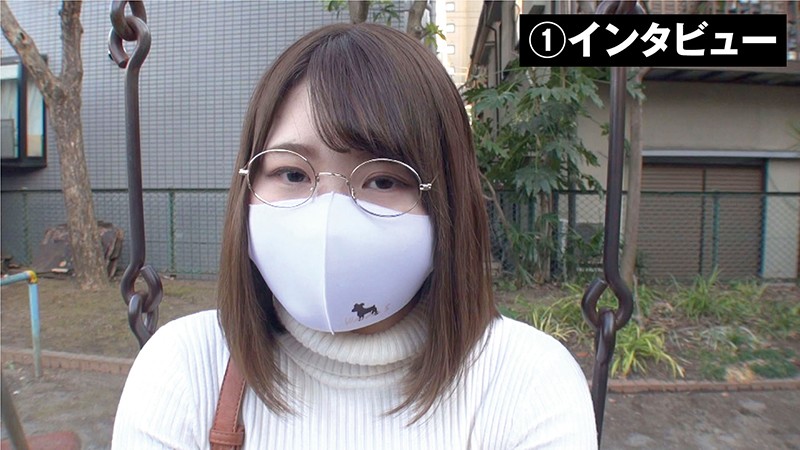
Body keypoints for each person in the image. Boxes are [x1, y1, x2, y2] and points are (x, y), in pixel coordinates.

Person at [112, 22, 596, 449]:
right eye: (292, 174)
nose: (328, 217)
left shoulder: (527, 383)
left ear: (447, 203)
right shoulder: (184, 370)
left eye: (383, 180)